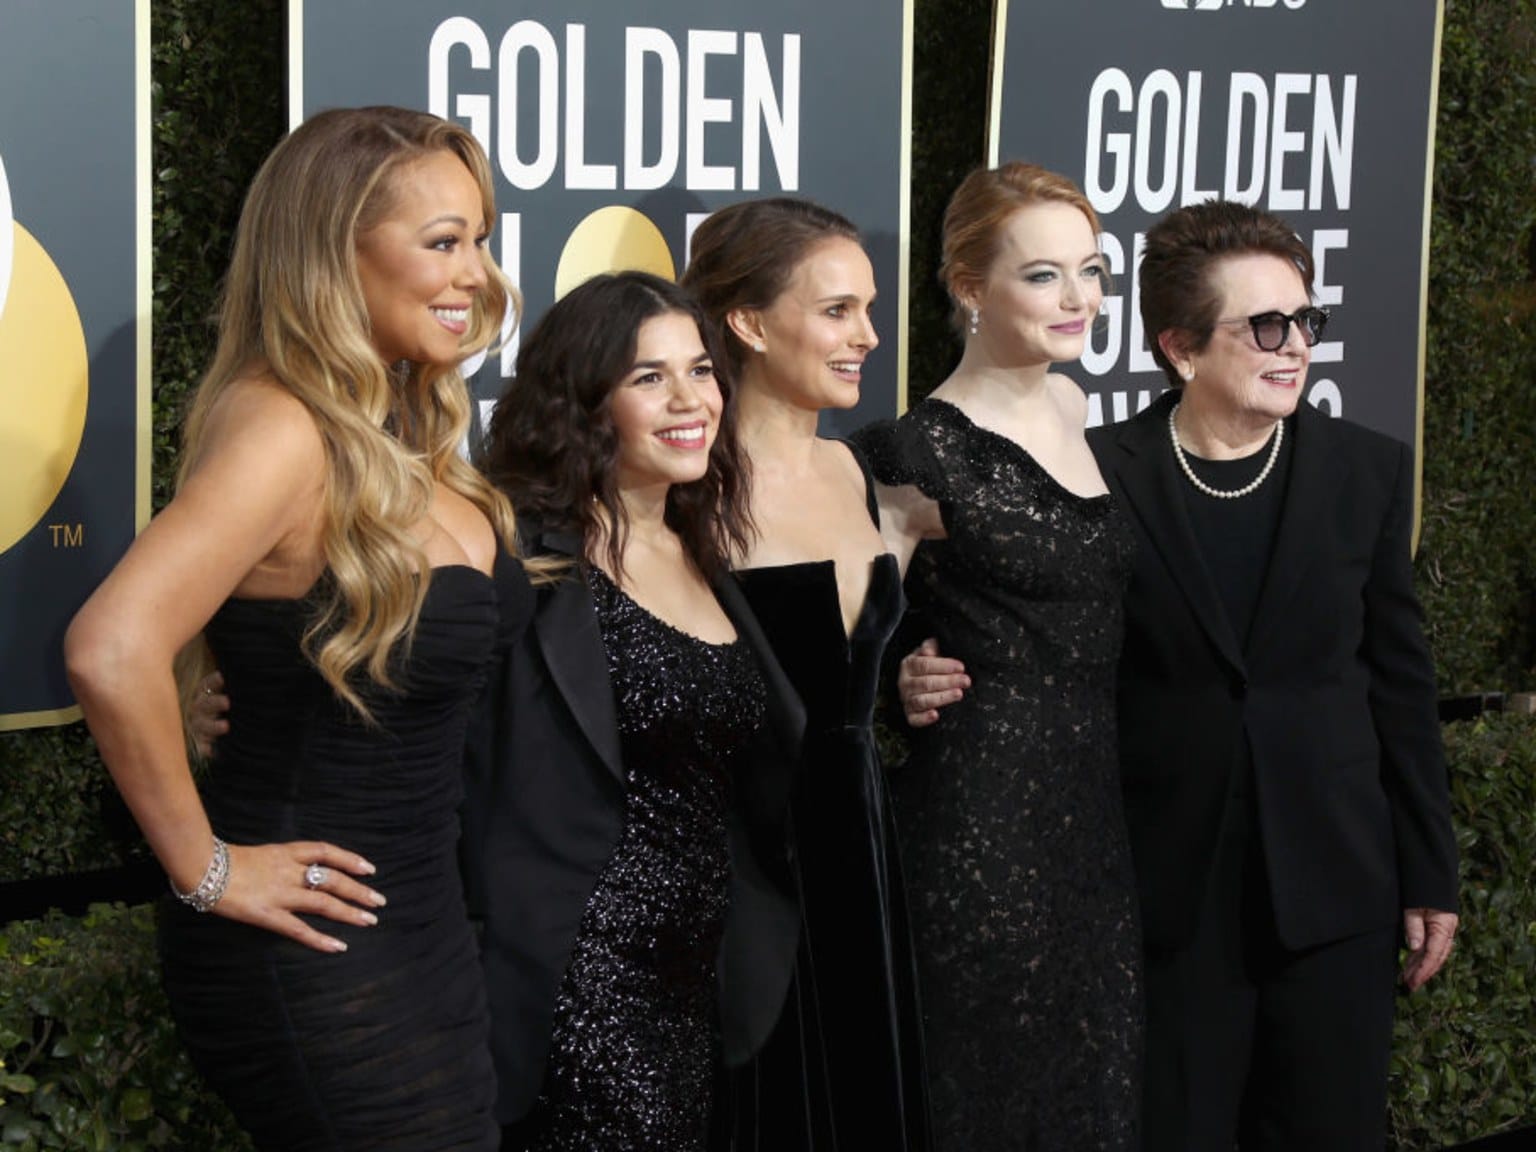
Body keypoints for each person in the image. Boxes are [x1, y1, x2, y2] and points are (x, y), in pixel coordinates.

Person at [903, 198, 1461, 1150]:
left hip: (1335, 890)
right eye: (1267, 327)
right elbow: (1018, 630)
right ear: (1181, 348)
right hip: (1161, 893)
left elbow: (1400, 687)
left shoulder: (1365, 472)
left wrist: (1430, 872)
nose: (1297, 346)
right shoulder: (1099, 473)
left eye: (1306, 321)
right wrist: (911, 670)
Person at [64, 106, 526, 1149]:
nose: (475, 274)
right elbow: (111, 646)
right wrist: (208, 867)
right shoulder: (285, 428)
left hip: (417, 923)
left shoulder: (399, 427)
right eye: (442, 242)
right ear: (332, 254)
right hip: (316, 955)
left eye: (479, 240)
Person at [465, 271, 805, 1151]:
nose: (690, 399)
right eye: (650, 377)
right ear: (585, 402)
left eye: (700, 370)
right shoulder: (521, 555)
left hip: (701, 985)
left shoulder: (701, 543)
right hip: (579, 985)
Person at [852, 162, 1142, 1149]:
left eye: (1092, 271)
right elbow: (839, 646)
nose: (1079, 298)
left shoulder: (1076, 411)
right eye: (1044, 275)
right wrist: (894, 681)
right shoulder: (914, 454)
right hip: (982, 828)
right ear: (971, 287)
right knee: (990, 1100)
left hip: (1092, 828)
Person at [680, 197, 930, 1149]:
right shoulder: (687, 490)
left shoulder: (853, 471)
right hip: (745, 868)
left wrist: (907, 674)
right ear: (748, 322)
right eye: (837, 311)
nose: (869, 336)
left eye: (868, 309)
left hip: (860, 846)